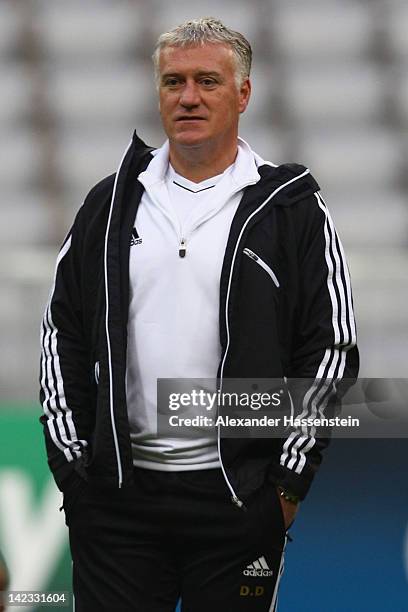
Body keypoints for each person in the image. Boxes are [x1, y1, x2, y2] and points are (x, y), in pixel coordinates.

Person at [39, 17, 359, 612]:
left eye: (208, 81)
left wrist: (286, 487)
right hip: (117, 503)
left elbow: (331, 350)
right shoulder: (109, 205)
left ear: (243, 94)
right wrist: (77, 474)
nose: (188, 97)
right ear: (158, 93)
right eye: (173, 82)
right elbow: (62, 331)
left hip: (239, 501)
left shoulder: (292, 209)